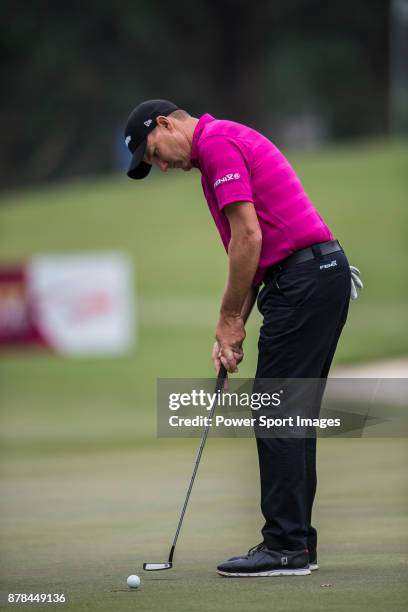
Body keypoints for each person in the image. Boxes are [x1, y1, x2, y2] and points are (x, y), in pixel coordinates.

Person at [124, 99, 363, 577]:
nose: (163, 166)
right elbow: (254, 252)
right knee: (289, 413)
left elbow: (248, 238)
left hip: (305, 280)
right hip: (311, 277)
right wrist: (233, 329)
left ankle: (285, 547)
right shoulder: (221, 144)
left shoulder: (216, 145)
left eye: (154, 153)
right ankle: (296, 544)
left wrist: (229, 317)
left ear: (167, 124)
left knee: (277, 411)